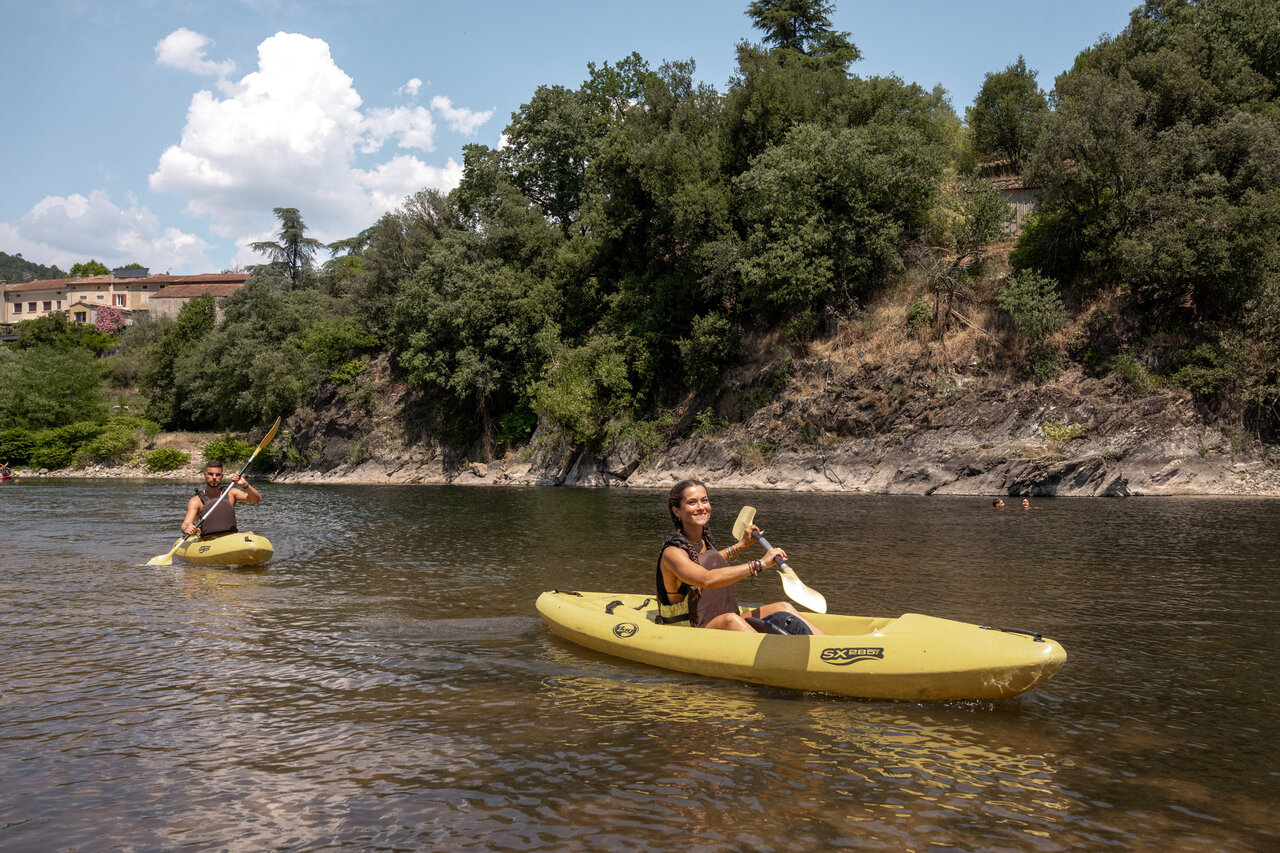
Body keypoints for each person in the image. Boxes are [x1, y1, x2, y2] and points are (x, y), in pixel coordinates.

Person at [656, 479, 823, 634]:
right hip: (689, 628)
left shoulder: (702, 542)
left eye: (704, 500)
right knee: (731, 620)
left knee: (784, 607)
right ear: (677, 510)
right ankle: (775, 656)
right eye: (692, 502)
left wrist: (741, 545)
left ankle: (827, 646)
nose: (701, 507)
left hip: (718, 620)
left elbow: (707, 561)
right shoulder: (673, 552)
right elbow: (706, 578)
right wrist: (759, 564)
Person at [181, 460, 261, 537]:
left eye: (218, 475)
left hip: (230, 538)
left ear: (222, 476)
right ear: (205, 475)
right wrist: (187, 528)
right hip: (208, 540)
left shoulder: (231, 494)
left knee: (250, 533)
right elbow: (186, 524)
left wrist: (245, 485)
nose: (214, 477)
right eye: (210, 474)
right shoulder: (196, 501)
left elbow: (256, 499)